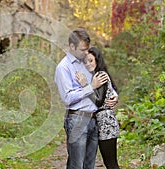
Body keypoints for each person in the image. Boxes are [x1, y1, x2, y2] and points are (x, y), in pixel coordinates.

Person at [54, 28, 118, 169]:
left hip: (94, 119)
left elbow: (105, 81)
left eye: (87, 49)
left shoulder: (86, 63)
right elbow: (67, 98)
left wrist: (114, 96)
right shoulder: (63, 68)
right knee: (77, 164)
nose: (86, 53)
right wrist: (90, 87)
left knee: (89, 165)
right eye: (82, 49)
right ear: (72, 47)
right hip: (77, 119)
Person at [76, 46, 120, 169]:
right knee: (109, 162)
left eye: (90, 60)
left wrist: (86, 85)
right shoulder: (94, 76)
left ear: (97, 59)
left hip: (106, 123)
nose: (87, 64)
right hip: (100, 123)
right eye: (85, 62)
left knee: (111, 163)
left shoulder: (100, 75)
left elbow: (99, 101)